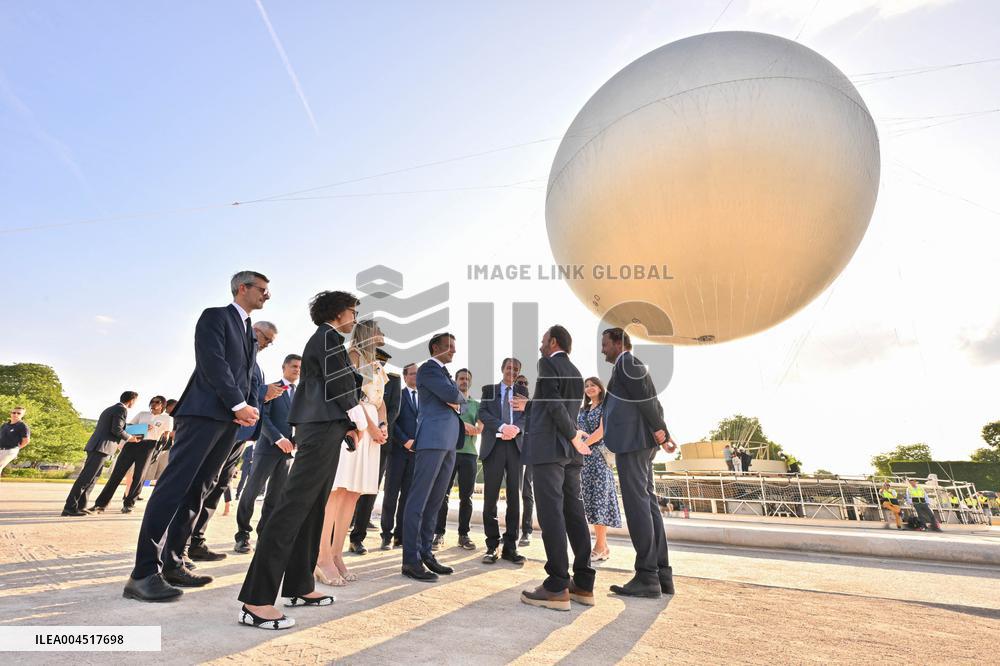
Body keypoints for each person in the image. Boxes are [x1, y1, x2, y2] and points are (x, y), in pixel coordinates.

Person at [124, 271, 267, 603]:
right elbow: (213, 363)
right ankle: (143, 572)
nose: (266, 295)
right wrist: (238, 403)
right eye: (262, 289)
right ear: (242, 288)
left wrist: (246, 408)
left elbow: (244, 374)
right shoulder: (215, 317)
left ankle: (173, 562)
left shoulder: (248, 332)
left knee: (198, 491)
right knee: (173, 488)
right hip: (203, 413)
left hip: (230, 419)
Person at [238, 290, 366, 630]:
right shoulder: (325, 337)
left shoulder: (329, 341)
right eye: (352, 312)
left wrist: (349, 426)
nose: (354, 319)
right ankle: (256, 600)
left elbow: (335, 384)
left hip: (328, 429)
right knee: (292, 508)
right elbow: (340, 384)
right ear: (339, 313)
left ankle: (299, 586)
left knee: (312, 509)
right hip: (318, 430)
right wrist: (359, 418)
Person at [182, 321, 280, 564]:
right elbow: (229, 388)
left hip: (240, 436)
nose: (267, 345)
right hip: (222, 429)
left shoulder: (256, 365)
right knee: (202, 485)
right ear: (255, 331)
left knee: (218, 486)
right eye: (266, 339)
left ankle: (196, 541)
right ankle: (180, 545)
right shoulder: (234, 355)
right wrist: (262, 393)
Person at [520, 325, 594, 612]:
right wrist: (572, 434)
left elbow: (552, 403)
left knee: (550, 513)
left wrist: (573, 434)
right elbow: (559, 405)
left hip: (551, 448)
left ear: (553, 342)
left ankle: (556, 585)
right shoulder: (576, 372)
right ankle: (583, 583)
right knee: (574, 513)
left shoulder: (547, 362)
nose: (540, 345)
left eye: (542, 341)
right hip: (569, 452)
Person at [601, 327, 677, 598]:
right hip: (639, 442)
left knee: (637, 506)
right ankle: (661, 573)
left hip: (633, 443)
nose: (603, 350)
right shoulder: (627, 365)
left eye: (605, 344)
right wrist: (661, 431)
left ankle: (647, 575)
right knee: (648, 503)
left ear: (619, 343)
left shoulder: (627, 363)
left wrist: (661, 430)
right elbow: (650, 399)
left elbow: (647, 399)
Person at [315, 318, 389, 585]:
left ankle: (336, 554)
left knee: (353, 494)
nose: (382, 334)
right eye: (379, 330)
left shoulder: (378, 364)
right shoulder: (353, 356)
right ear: (368, 332)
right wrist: (369, 427)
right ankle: (321, 557)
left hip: (372, 431)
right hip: (354, 427)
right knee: (337, 492)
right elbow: (351, 397)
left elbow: (380, 402)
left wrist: (383, 425)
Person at [400, 332, 466, 582]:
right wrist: (456, 398)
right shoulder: (428, 369)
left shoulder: (445, 374)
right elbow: (454, 396)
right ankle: (410, 560)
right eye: (449, 347)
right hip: (432, 440)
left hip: (449, 443)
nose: (453, 351)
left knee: (435, 500)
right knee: (419, 499)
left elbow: (463, 402)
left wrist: (457, 399)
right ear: (435, 347)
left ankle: (426, 553)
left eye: (454, 346)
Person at [234, 353, 301, 554]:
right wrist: (278, 438)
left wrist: (296, 441)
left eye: (299, 368)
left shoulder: (300, 394)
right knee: (252, 491)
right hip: (268, 448)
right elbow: (263, 417)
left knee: (276, 496)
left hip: (288, 452)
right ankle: (243, 535)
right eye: (294, 366)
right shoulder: (271, 389)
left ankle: (265, 534)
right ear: (284, 367)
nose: (297, 370)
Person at [349, 348, 401, 554]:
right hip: (355, 432)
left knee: (369, 489)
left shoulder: (393, 380)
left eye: (382, 362)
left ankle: (357, 537)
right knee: (347, 484)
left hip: (379, 440)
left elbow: (393, 409)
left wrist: (381, 429)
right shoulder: (356, 373)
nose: (379, 365)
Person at [477, 358, 529, 564]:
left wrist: (516, 428)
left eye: (516, 369)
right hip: (494, 447)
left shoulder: (523, 392)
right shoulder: (489, 390)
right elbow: (483, 413)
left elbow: (527, 415)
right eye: (509, 368)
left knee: (514, 499)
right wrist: (502, 427)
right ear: (502, 369)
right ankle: (491, 546)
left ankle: (510, 547)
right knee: (490, 498)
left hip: (516, 448)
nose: (512, 371)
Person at [63, 392, 140, 517]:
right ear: (131, 400)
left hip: (100, 447)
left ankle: (81, 506)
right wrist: (130, 438)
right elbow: (117, 429)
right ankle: (69, 507)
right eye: (135, 401)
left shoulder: (111, 409)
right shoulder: (121, 410)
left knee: (93, 478)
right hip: (101, 447)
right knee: (86, 478)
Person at [91, 396, 172, 514]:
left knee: (139, 476)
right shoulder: (142, 414)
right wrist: (143, 427)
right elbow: (127, 427)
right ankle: (101, 504)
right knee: (116, 474)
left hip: (149, 446)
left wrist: (158, 451)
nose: (154, 404)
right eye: (152, 402)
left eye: (157, 402)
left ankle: (129, 504)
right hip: (132, 443)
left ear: (163, 405)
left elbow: (166, 435)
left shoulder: (167, 418)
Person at [434, 368, 482, 550]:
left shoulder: (475, 405)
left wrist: (473, 427)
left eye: (467, 379)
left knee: (466, 497)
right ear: (455, 381)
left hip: (469, 454)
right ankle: (439, 534)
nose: (464, 381)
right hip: (449, 451)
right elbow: (445, 421)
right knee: (443, 494)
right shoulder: (449, 402)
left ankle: (464, 535)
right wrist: (463, 425)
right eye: (461, 378)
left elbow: (479, 427)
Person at [576, 377, 622, 562]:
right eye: (586, 386)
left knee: (600, 501)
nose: (589, 388)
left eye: (592, 385)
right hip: (584, 460)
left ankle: (600, 546)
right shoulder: (582, 410)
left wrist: (583, 444)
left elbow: (602, 431)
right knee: (590, 501)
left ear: (600, 388)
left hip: (599, 458)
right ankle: (604, 546)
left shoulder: (605, 407)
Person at [380, 362, 418, 550]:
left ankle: (400, 536)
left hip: (416, 455)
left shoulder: (425, 399)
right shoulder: (399, 396)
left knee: (408, 497)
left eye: (418, 374)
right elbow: (392, 422)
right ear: (405, 376)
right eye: (413, 374)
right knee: (391, 495)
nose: (416, 377)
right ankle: (386, 535)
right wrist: (405, 441)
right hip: (397, 452)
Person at [516, 374, 534, 547]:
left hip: (531, 454)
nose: (522, 384)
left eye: (525, 382)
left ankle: (526, 531)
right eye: (518, 382)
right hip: (513, 453)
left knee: (527, 493)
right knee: (513, 493)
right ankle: (511, 532)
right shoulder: (510, 406)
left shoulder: (533, 405)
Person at [0, 406, 30, 480]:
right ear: (11, 413)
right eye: (14, 412)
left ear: (22, 415)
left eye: (18, 413)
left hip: (10, 450)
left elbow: (26, 440)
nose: (15, 414)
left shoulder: (22, 426)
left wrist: (17, 448)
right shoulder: (4, 425)